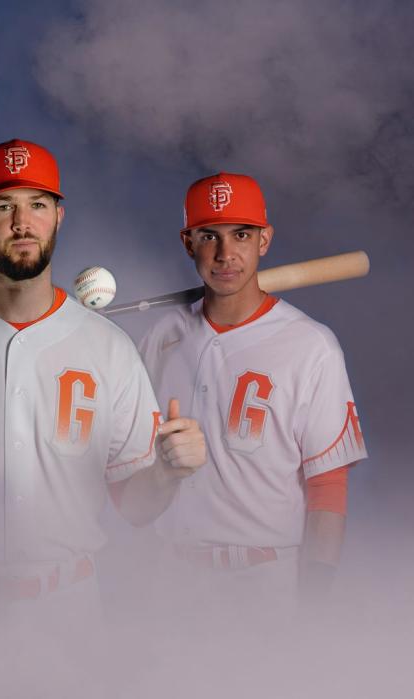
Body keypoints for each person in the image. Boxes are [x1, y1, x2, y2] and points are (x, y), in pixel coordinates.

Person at [0, 139, 206, 620]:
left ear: (59, 216)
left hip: (66, 610)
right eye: (4, 205)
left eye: (38, 205)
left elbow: (135, 505)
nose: (23, 223)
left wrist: (168, 474)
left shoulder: (109, 349)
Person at [138, 173, 366, 615]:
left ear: (264, 240)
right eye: (210, 236)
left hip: (264, 584)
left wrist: (314, 602)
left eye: (241, 235)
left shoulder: (311, 345)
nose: (226, 255)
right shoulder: (161, 337)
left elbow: (328, 486)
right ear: (188, 243)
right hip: (169, 582)